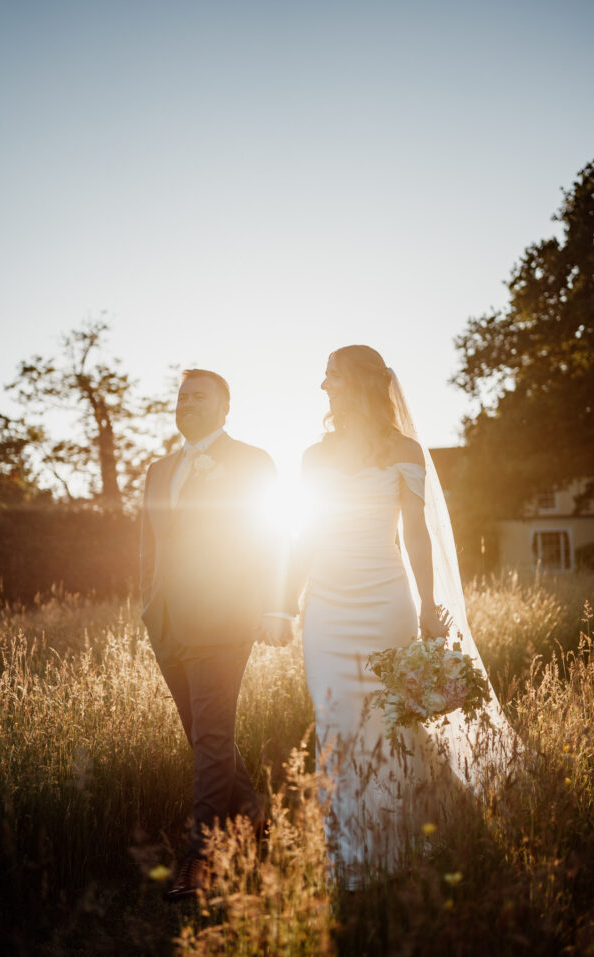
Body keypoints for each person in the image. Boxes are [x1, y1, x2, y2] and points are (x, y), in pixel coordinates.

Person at [291, 346, 516, 884]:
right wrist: (282, 602)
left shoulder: (406, 451)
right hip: (325, 609)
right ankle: (349, 857)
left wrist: (427, 607)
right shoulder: (314, 457)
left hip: (386, 603)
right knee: (337, 724)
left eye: (332, 376)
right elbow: (303, 535)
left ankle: (405, 842)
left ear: (362, 383)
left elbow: (416, 533)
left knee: (393, 726)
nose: (323, 385)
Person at [140, 369, 292, 901]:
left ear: (226, 408)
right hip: (166, 623)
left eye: (199, 396)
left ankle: (199, 859)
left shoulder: (252, 462)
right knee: (208, 738)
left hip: (224, 621)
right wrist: (147, 601)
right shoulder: (158, 469)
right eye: (181, 396)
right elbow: (150, 545)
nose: (187, 403)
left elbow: (275, 538)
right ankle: (257, 825)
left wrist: (278, 606)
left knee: (208, 739)